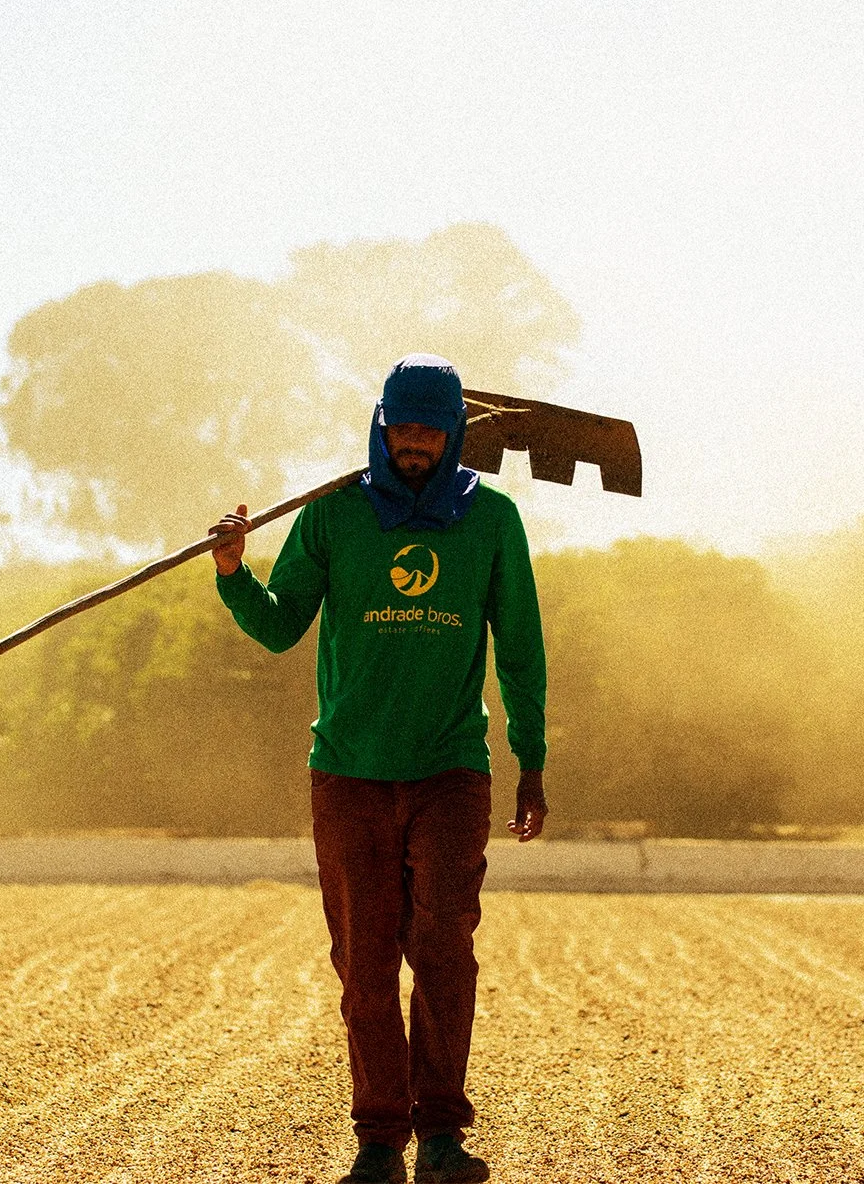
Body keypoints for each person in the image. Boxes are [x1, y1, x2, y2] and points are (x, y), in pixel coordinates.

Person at [210, 354, 548, 1184]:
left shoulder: (492, 520)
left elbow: (522, 652)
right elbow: (280, 626)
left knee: (442, 952)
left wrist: (529, 760)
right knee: (363, 965)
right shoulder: (332, 516)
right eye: (402, 426)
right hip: (350, 772)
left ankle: (440, 1136)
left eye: (431, 430)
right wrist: (231, 572)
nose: (415, 444)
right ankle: (377, 1140)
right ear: (380, 423)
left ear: (455, 434)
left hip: (448, 772)